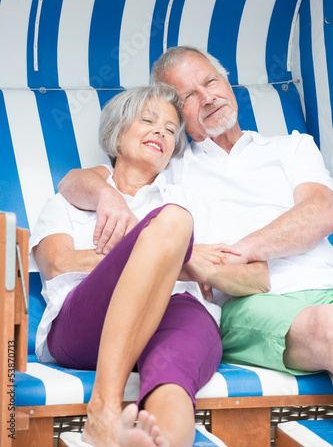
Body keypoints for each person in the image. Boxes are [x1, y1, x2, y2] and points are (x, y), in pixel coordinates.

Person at [58, 46, 333, 378]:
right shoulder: (170, 165)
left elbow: (321, 210)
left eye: (211, 81)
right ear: (177, 115)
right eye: (189, 96)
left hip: (325, 283)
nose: (207, 97)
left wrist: (240, 252)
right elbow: (73, 181)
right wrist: (107, 196)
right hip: (249, 302)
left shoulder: (292, 147)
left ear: (227, 83)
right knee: (327, 328)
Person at [30, 83, 269, 447]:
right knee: (173, 222)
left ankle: (162, 442)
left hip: (176, 313)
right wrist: (178, 261)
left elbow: (258, 276)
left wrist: (197, 266)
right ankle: (104, 410)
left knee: (174, 375)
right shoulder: (70, 200)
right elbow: (59, 264)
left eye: (171, 130)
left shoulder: (192, 199)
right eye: (147, 120)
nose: (161, 131)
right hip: (84, 324)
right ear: (116, 133)